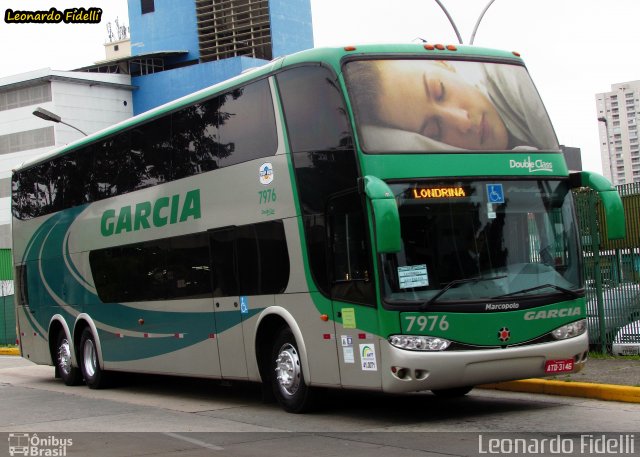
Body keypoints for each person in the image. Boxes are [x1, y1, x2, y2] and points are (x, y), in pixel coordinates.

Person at [344, 59, 558, 152]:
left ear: (444, 64)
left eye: (440, 91)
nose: (463, 122)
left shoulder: (510, 78)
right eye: (435, 132)